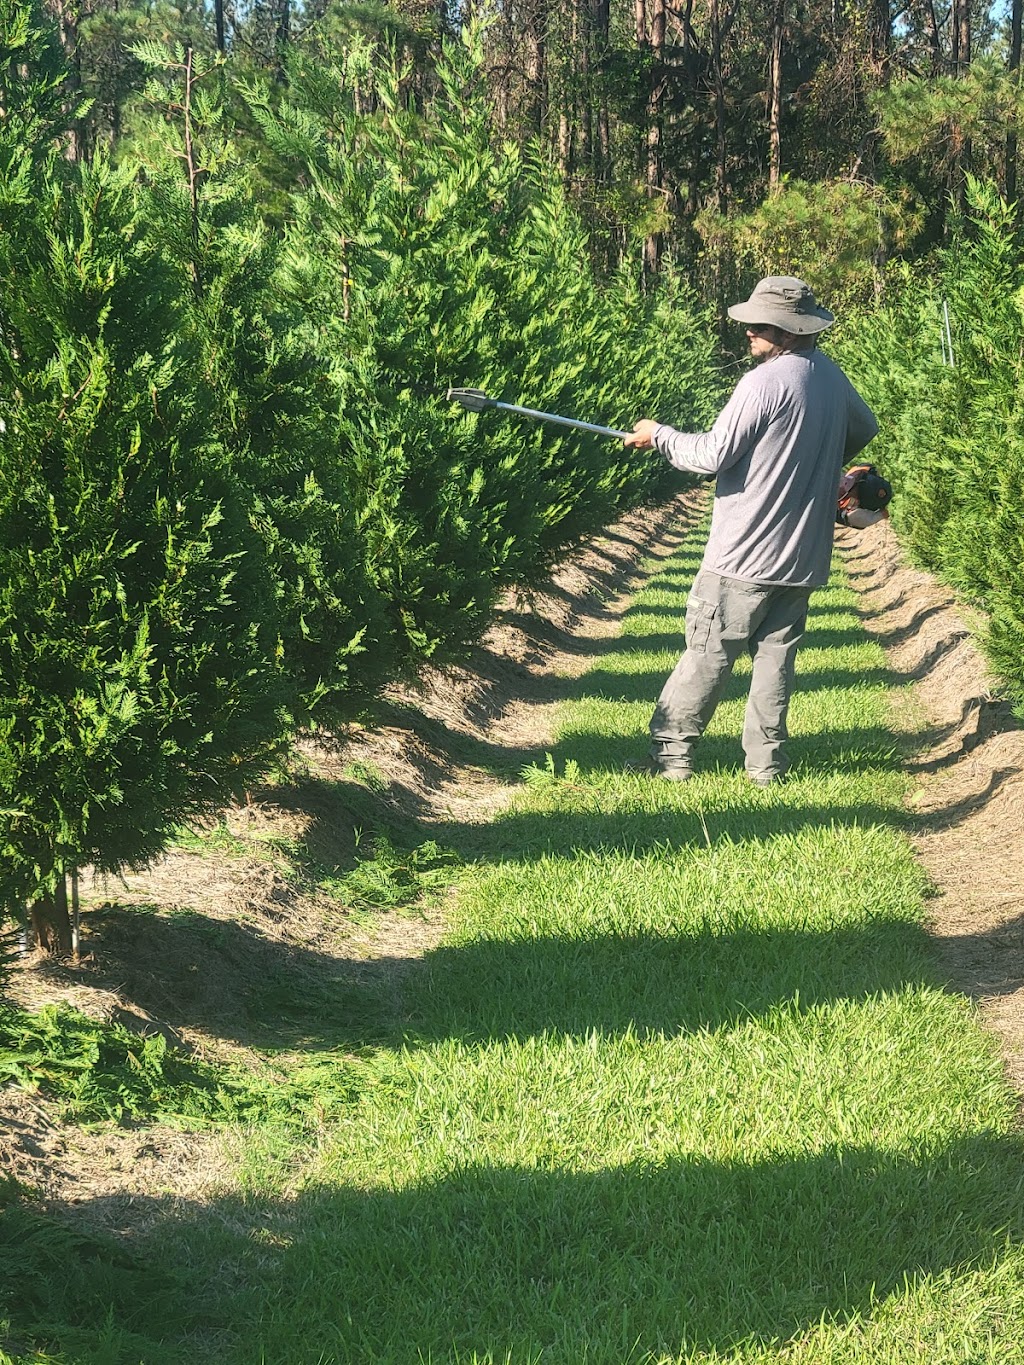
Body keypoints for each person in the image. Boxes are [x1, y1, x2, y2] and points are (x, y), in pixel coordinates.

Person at [624, 275, 879, 786]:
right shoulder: (830, 377)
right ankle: (766, 769)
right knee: (774, 662)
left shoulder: (762, 383)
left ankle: (670, 757)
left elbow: (712, 455)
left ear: (786, 330)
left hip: (743, 555)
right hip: (802, 556)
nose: (748, 331)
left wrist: (660, 436)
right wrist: (816, 465)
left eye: (758, 324)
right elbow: (865, 427)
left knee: (708, 653)